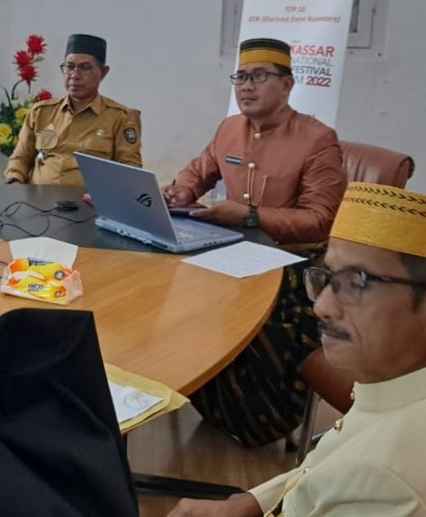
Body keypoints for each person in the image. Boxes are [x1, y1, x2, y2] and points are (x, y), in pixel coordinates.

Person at [169, 182, 426, 516]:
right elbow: (332, 468)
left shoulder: (384, 482)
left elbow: (360, 475)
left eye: (356, 283)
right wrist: (254, 502)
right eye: (327, 278)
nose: (322, 307)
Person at [162, 38, 347, 447]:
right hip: (233, 253)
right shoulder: (229, 128)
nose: (246, 86)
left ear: (287, 85)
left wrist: (249, 216)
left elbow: (321, 221)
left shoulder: (317, 139)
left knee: (254, 317)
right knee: (176, 290)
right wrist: (182, 189)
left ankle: (259, 419)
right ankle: (192, 389)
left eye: (259, 76)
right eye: (240, 77)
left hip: (296, 265)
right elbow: (198, 171)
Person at [3, 34, 141, 186]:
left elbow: (131, 170)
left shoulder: (120, 117)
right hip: (40, 198)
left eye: (85, 68)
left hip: (89, 200)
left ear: (103, 73)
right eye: (69, 67)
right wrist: (14, 182)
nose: (74, 76)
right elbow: (21, 157)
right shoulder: (41, 112)